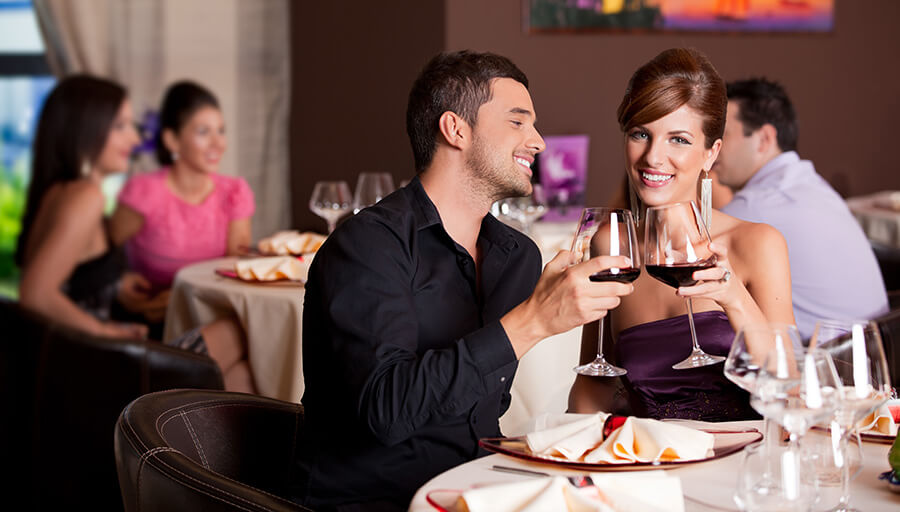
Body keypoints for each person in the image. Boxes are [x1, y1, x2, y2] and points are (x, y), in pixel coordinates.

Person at [291, 51, 632, 511]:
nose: (538, 142)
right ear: (456, 129)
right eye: (518, 122)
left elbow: (484, 408)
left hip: (478, 490)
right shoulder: (368, 245)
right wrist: (532, 322)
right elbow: (385, 413)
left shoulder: (517, 257)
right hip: (374, 502)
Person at [569, 48, 795, 422]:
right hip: (652, 455)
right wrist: (571, 446)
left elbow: (791, 389)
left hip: (748, 454)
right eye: (641, 134)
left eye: (679, 140)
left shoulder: (757, 244)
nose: (653, 157)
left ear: (711, 153)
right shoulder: (612, 244)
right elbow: (596, 384)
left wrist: (734, 298)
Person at [17, 75, 255, 393]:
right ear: (86, 128)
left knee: (243, 379)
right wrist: (105, 332)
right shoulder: (86, 197)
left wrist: (116, 284)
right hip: (103, 368)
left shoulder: (61, 191)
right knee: (240, 331)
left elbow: (75, 280)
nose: (134, 138)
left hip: (89, 358)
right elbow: (35, 293)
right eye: (121, 126)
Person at [713, 78, 888, 339]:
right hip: (879, 346)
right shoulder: (812, 185)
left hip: (826, 359)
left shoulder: (756, 206)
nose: (712, 147)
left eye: (722, 134)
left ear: (764, 139)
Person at [111, 80, 254, 297]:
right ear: (172, 140)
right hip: (149, 312)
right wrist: (119, 284)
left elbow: (236, 272)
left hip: (212, 309)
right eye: (203, 132)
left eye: (221, 131)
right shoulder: (144, 192)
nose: (219, 144)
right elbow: (99, 254)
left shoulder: (234, 193)